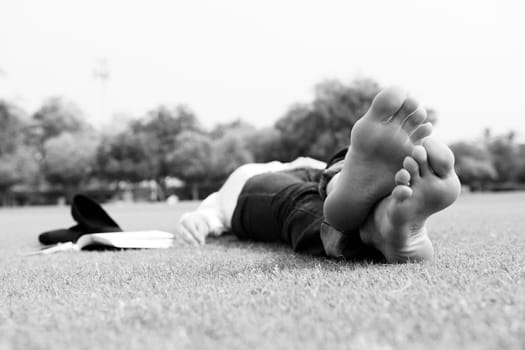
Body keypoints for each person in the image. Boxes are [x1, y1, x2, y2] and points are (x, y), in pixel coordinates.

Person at [176, 86, 461, 263]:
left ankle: (371, 218)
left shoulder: (243, 178)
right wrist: (199, 219)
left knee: (307, 196)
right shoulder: (254, 176)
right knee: (320, 184)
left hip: (271, 181)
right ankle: (377, 220)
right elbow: (207, 216)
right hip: (291, 176)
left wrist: (198, 217)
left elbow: (211, 210)